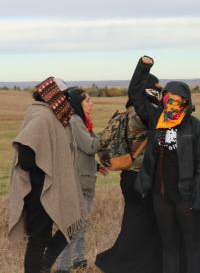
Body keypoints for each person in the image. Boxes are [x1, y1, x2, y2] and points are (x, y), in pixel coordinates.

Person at [129, 56, 200, 273]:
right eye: (167, 96)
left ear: (185, 101)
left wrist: (198, 199)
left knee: (191, 244)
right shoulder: (157, 118)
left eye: (176, 97)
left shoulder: (196, 126)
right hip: (160, 196)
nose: (170, 100)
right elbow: (135, 95)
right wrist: (144, 67)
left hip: (186, 197)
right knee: (169, 245)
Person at [8, 77, 86, 273]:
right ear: (53, 96)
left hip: (52, 188)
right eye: (65, 96)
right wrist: (48, 168)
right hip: (40, 192)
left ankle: (43, 265)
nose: (68, 101)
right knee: (38, 240)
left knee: (72, 223)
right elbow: (26, 158)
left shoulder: (52, 116)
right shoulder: (41, 117)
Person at [95, 71, 163, 273]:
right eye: (157, 88)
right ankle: (121, 263)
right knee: (145, 224)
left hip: (128, 175)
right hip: (142, 175)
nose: (160, 92)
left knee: (134, 221)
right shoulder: (143, 114)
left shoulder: (127, 112)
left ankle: (127, 263)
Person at [54, 88, 104, 273]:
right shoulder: (75, 121)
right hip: (78, 183)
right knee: (74, 228)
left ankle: (79, 261)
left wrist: (98, 167)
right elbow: (91, 147)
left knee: (81, 226)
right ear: (78, 104)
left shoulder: (84, 123)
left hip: (85, 180)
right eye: (88, 100)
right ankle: (63, 267)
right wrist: (110, 131)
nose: (92, 103)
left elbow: (85, 151)